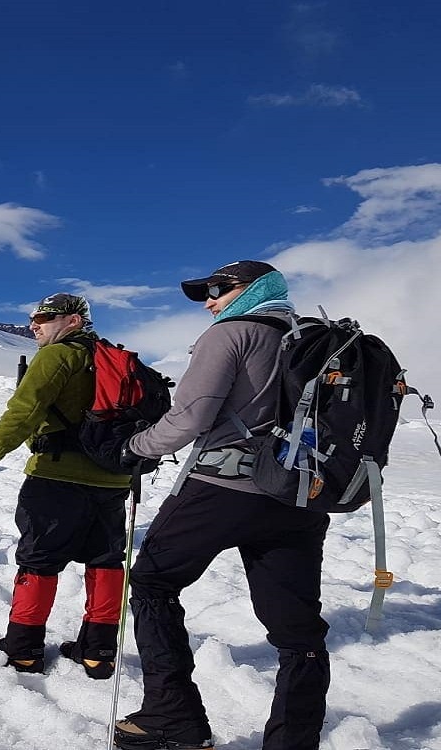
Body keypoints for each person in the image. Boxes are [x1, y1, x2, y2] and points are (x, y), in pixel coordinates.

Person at [113, 261, 329, 750]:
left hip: (222, 487)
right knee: (298, 632)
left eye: (218, 289)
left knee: (152, 580)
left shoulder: (231, 333)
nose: (209, 300)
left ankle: (173, 718)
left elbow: (191, 415)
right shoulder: (311, 340)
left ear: (254, 288)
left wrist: (135, 447)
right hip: (299, 496)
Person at [0, 293, 132, 679]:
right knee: (106, 561)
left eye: (46, 317)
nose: (35, 323)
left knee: (39, 561)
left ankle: (24, 650)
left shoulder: (57, 356)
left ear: (74, 322)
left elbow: (23, 413)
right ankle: (97, 651)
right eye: (34, 317)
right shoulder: (114, 358)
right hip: (113, 479)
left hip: (56, 477)